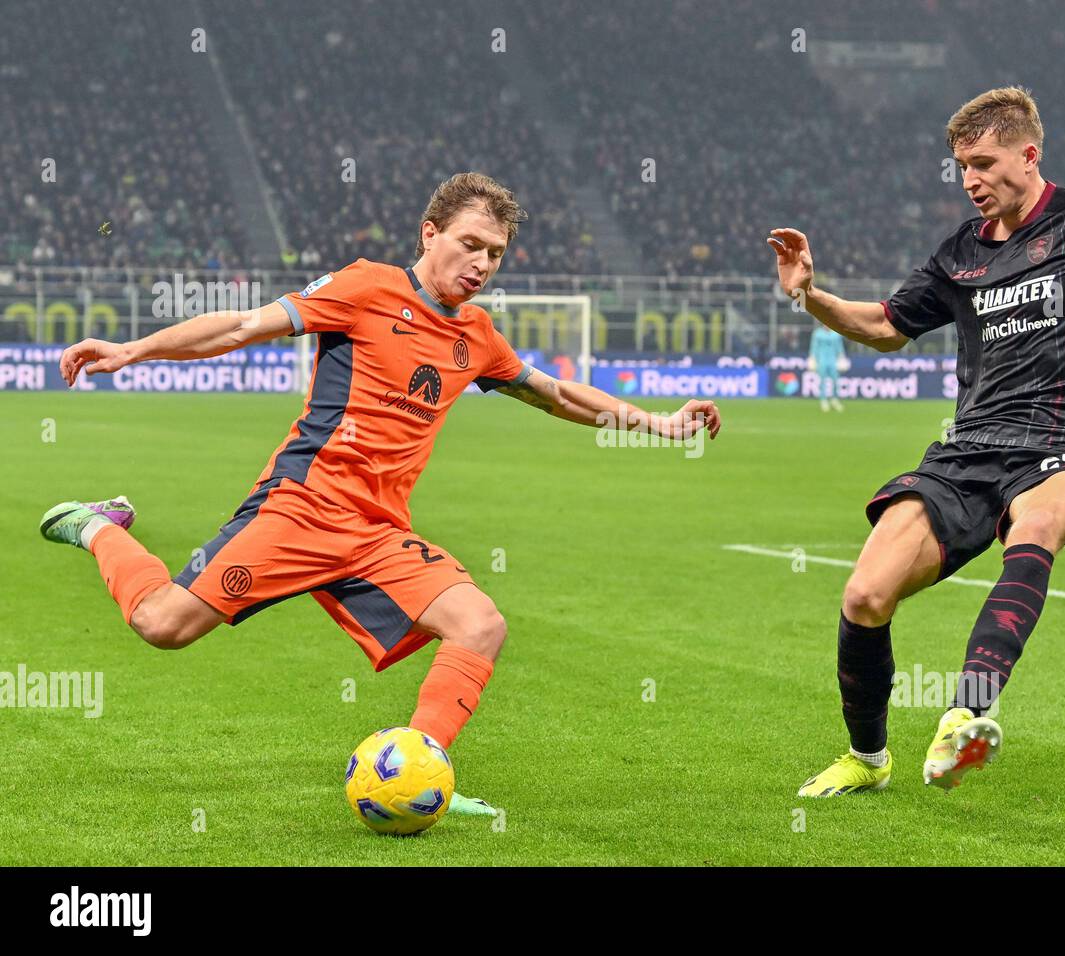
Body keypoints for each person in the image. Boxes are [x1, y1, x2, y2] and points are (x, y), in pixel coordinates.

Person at [41, 172, 722, 812]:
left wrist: (658, 422)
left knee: (480, 625)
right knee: (162, 625)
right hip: (300, 508)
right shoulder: (365, 288)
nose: (481, 264)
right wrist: (132, 350)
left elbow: (555, 393)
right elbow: (242, 326)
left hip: (377, 533)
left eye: (495, 253)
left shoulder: (477, 336)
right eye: (469, 244)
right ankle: (99, 527)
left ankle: (424, 772)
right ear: (430, 234)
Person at [768, 88, 1065, 795]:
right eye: (961, 165)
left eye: (984, 162)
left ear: (1029, 155)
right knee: (866, 595)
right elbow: (884, 325)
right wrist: (810, 295)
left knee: (1038, 523)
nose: (969, 179)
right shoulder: (959, 254)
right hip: (969, 449)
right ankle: (869, 760)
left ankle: (965, 716)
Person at [809, 324, 847, 412]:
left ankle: (835, 399)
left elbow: (840, 347)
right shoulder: (818, 334)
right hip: (822, 360)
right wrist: (812, 358)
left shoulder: (836, 334)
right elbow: (814, 347)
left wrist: (842, 357)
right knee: (822, 381)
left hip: (833, 360)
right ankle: (823, 400)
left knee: (835, 380)